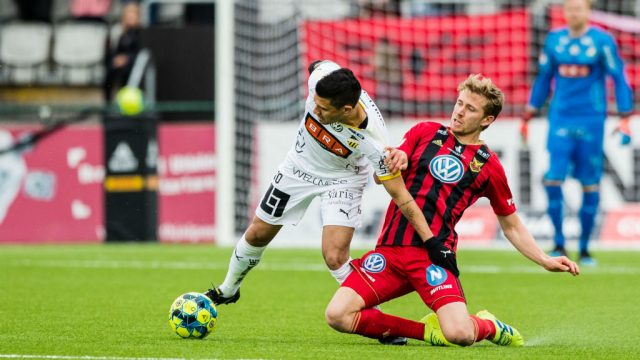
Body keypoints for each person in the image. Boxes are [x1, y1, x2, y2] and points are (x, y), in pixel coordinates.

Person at [324, 74, 580, 347]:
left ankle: (489, 326)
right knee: (337, 315)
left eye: (470, 108)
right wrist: (396, 158)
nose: (459, 111)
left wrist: (544, 259)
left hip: (434, 256)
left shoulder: (489, 166)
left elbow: (511, 225)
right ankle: (427, 332)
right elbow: (385, 172)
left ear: (487, 120)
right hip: (390, 251)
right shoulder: (425, 132)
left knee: (460, 334)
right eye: (459, 103)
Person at [206, 60, 436, 345]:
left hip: (344, 178)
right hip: (298, 167)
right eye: (315, 103)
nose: (314, 110)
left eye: (323, 109)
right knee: (258, 232)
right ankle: (229, 289)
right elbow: (318, 64)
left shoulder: (374, 140)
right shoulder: (321, 78)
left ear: (346, 110)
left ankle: (376, 321)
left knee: (334, 255)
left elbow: (398, 193)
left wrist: (429, 238)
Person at [521, 0, 633, 265]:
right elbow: (543, 78)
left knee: (589, 182)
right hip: (560, 119)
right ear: (564, 12)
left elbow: (618, 77)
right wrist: (529, 112)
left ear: (588, 11)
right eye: (569, 8)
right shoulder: (554, 41)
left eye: (578, 8)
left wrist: (625, 115)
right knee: (552, 179)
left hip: (592, 119)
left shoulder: (602, 41)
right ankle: (559, 242)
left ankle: (584, 248)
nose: (573, 13)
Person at [103, 1, 142, 103]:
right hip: (119, 64)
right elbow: (113, 51)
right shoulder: (120, 33)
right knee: (110, 71)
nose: (130, 17)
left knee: (126, 73)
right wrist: (116, 59)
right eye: (128, 15)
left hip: (134, 65)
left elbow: (142, 53)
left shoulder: (141, 33)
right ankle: (108, 104)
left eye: (133, 14)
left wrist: (127, 59)